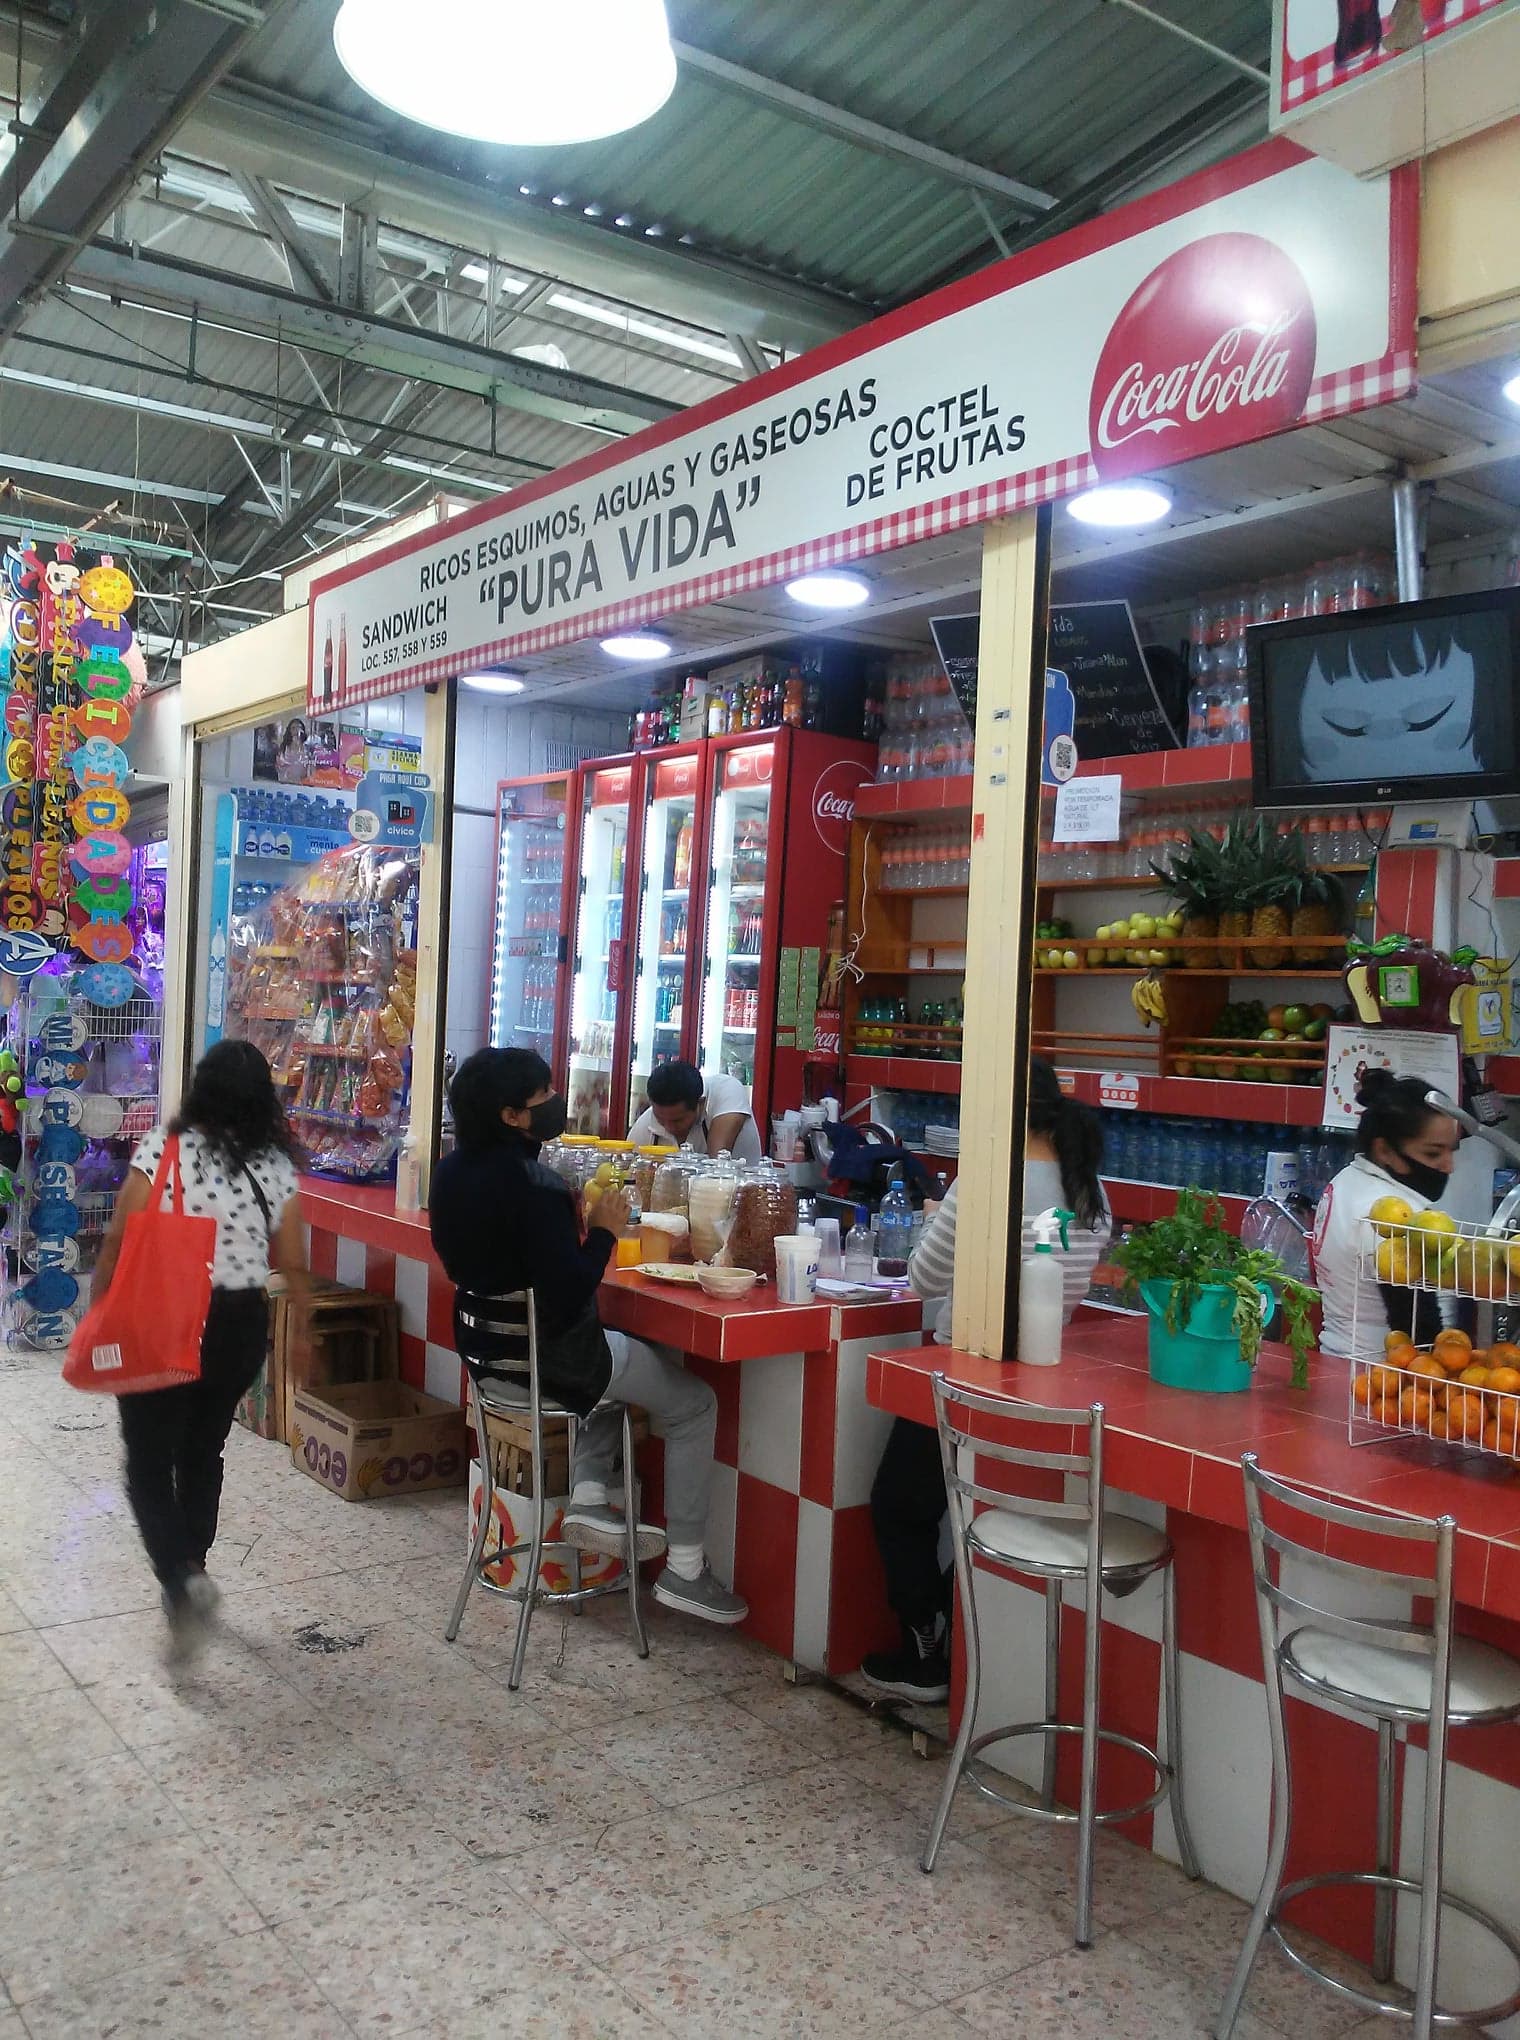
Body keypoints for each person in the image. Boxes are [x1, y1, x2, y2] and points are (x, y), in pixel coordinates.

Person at [430, 1048, 747, 1625]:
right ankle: (685, 1569)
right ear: (512, 1117)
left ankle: (592, 1499)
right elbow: (572, 1291)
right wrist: (600, 1230)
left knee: (621, 1360)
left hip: (492, 1370)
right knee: (695, 1404)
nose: (556, 1101)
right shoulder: (538, 1188)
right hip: (554, 1370)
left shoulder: (448, 1173)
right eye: (543, 1096)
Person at [861, 1059, 1110, 1704]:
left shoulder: (990, 1177)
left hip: (962, 1368)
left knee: (900, 1503)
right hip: (1042, 1378)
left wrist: (946, 1218)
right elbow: (1061, 1274)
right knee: (978, 1513)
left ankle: (927, 1646)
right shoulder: (1086, 1183)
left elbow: (923, 1279)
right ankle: (960, 1645)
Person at [97, 1039, 310, 1658]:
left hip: (165, 1313)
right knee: (202, 1450)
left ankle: (180, 1579)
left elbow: (116, 1239)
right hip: (238, 1321)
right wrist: (305, 1337)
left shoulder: (162, 1152)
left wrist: (103, 1311)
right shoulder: (275, 1166)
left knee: (145, 1461)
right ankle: (193, 1566)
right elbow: (294, 1263)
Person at [1313, 1069, 1461, 1363]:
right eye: (1433, 1154)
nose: (1449, 1166)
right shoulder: (1392, 1215)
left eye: (1451, 1150)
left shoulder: (1345, 1181)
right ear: (1384, 1150)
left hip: (1335, 1359)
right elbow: (1418, 1326)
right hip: (1384, 1382)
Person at [626, 1059, 762, 1162]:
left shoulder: (727, 1090)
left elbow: (718, 1163)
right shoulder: (646, 1123)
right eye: (660, 1120)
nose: (668, 1127)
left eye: (677, 1121)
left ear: (700, 1103)